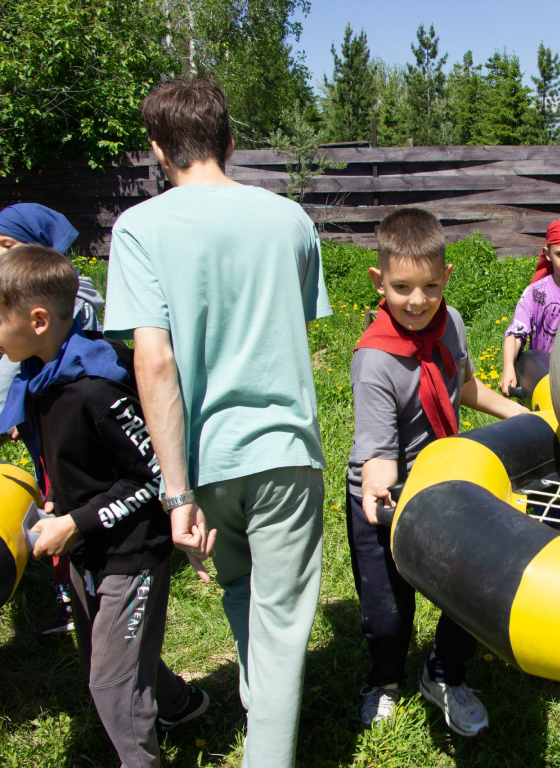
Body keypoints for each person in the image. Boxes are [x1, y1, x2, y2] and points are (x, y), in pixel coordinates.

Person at [102, 79, 331, 768]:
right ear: (231, 141)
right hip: (285, 453)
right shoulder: (290, 219)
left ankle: (264, 724)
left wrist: (175, 492)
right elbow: (292, 321)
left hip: (204, 463)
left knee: (241, 591)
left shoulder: (137, 228)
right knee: (281, 626)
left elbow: (154, 361)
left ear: (157, 149)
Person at [0, 244, 209, 767]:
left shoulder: (96, 388)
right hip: (86, 543)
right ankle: (180, 704)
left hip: (130, 551)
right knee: (101, 651)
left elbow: (152, 476)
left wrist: (76, 521)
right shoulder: (38, 377)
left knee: (111, 683)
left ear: (38, 320)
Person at [349, 207, 528, 735]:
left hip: (445, 482)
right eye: (402, 287)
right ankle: (384, 680)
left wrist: (518, 414)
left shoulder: (452, 323)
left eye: (430, 286)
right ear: (378, 281)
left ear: (446, 277)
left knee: (472, 589)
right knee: (387, 616)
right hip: (383, 497)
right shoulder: (373, 361)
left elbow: (463, 386)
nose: (418, 301)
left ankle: (445, 673)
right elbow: (379, 451)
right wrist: (376, 483)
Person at [0, 203, 105, 639]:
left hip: (67, 425)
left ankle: (79, 590)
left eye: (7, 244)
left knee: (67, 498)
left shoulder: (68, 305)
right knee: (54, 496)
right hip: (42, 419)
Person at [499, 219, 560, 396]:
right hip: (542, 381)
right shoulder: (536, 294)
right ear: (548, 253)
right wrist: (509, 368)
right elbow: (516, 335)